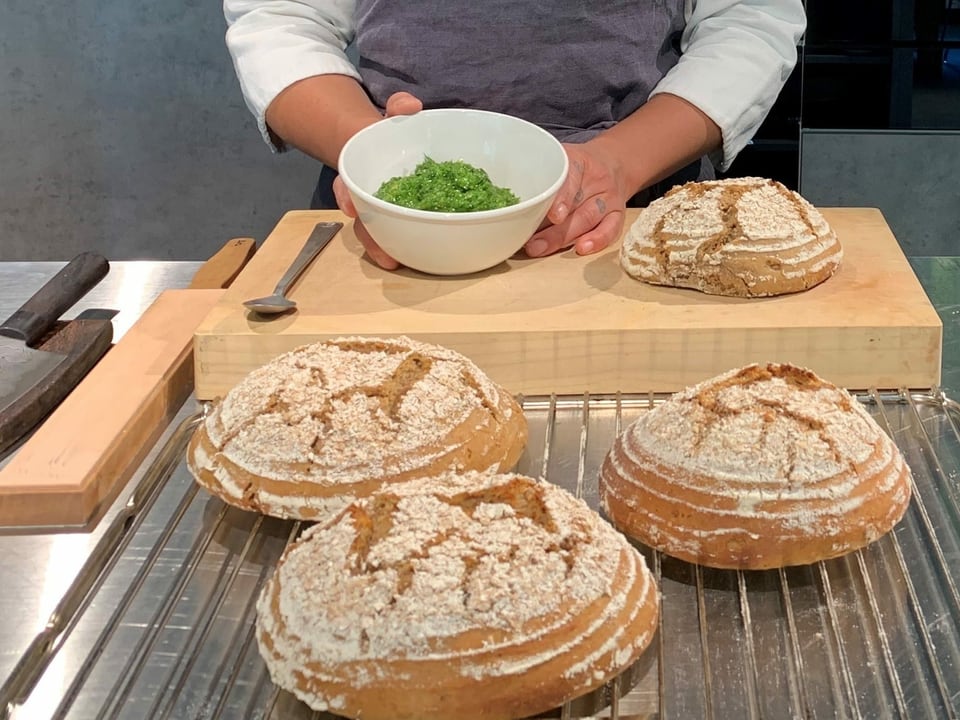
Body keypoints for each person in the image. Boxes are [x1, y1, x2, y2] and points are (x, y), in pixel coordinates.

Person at [223, 1, 806, 270]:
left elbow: (748, 19)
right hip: (389, 205)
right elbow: (281, 18)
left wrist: (618, 163)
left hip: (624, 213)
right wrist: (369, 152)